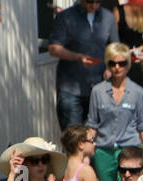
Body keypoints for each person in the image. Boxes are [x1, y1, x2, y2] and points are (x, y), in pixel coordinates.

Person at [85, 45, 143, 181]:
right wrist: (85, 153)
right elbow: (92, 124)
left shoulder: (138, 92)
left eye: (121, 63)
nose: (117, 67)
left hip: (129, 150)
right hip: (104, 152)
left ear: (128, 65)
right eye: (112, 63)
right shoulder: (97, 91)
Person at [48, 0, 118, 131]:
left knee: (100, 136)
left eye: (98, 2)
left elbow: (115, 47)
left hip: (99, 86)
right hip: (71, 87)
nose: (94, 5)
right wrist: (77, 57)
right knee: (73, 136)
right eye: (90, 1)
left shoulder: (107, 17)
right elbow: (53, 48)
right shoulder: (66, 17)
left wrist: (110, 67)